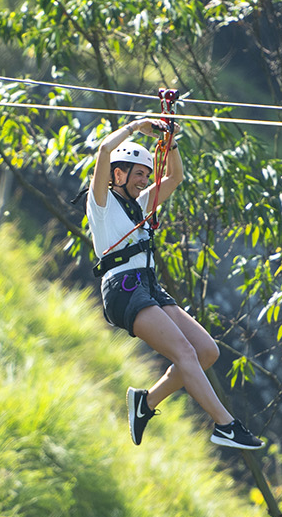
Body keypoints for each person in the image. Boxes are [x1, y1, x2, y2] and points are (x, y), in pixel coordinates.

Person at [87, 117, 263, 450]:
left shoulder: (140, 205)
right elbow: (104, 150)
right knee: (184, 352)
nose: (144, 180)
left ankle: (146, 403)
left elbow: (175, 177)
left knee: (206, 351)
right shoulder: (102, 204)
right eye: (138, 173)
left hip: (148, 284)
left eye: (145, 174)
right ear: (118, 174)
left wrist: (171, 141)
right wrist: (137, 126)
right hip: (123, 289)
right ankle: (226, 425)